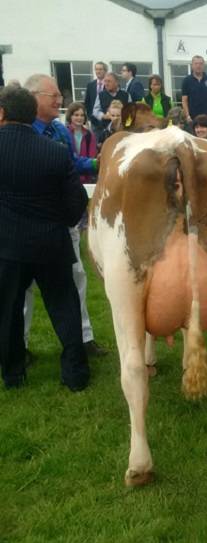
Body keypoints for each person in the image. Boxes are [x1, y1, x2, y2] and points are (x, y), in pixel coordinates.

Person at [0, 85, 90, 390]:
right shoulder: (55, 151)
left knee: (8, 310)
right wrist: (60, 221)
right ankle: (75, 373)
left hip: (7, 245)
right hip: (51, 240)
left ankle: (13, 375)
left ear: (2, 113)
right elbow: (77, 199)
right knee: (65, 306)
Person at [23, 74, 106, 358]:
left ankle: (83, 338)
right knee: (23, 289)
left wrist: (96, 161)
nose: (60, 101)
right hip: (26, 223)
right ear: (34, 98)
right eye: (54, 96)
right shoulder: (17, 131)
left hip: (61, 222)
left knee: (77, 276)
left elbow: (71, 165)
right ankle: (19, 346)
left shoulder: (60, 132)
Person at [65, 102, 97, 183]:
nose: (79, 118)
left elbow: (91, 157)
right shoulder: (63, 133)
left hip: (86, 178)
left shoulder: (90, 135)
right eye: (76, 115)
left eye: (82, 115)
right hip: (68, 177)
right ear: (70, 116)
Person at [181, 55, 207, 123]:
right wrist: (187, 116)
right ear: (192, 65)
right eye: (196, 64)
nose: (198, 66)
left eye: (201, 64)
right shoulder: (186, 80)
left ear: (203, 65)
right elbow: (184, 101)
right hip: (192, 119)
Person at [83, 62, 107, 140]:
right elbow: (87, 103)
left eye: (100, 69)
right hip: (94, 121)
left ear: (105, 71)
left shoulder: (109, 84)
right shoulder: (90, 85)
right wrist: (89, 117)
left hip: (106, 120)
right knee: (95, 144)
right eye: (96, 69)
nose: (98, 71)